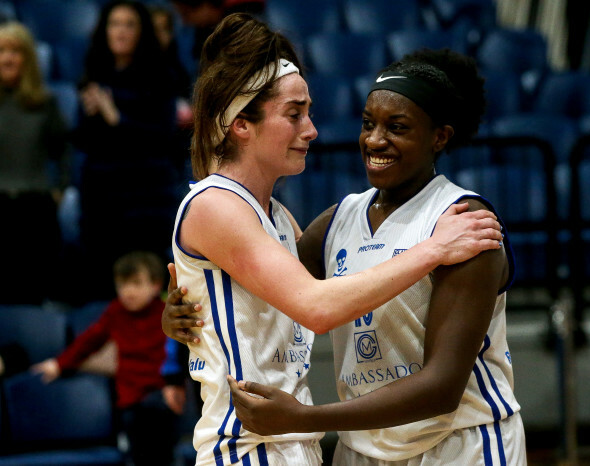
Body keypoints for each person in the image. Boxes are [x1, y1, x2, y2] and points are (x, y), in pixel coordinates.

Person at [167, 13, 502, 465]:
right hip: (255, 446)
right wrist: (178, 316)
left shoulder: (282, 220)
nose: (313, 130)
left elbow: (251, 299)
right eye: (295, 114)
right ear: (242, 123)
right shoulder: (225, 206)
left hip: (450, 445)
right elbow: (316, 305)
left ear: (439, 137)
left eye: (397, 127)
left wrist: (181, 315)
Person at [73, 0, 180, 301]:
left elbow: (162, 136)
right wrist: (90, 115)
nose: (120, 31)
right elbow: (82, 140)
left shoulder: (160, 76)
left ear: (141, 31)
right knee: (103, 289)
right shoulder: (94, 75)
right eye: (114, 23)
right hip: (101, 199)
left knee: (144, 288)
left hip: (145, 198)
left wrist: (115, 117)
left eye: (129, 24)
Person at [31, 251, 180, 466]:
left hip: (162, 395)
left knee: (165, 452)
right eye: (122, 285)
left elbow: (182, 352)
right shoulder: (116, 312)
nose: (128, 292)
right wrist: (59, 364)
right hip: (130, 398)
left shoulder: (166, 312)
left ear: (156, 285)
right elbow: (88, 341)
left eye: (136, 284)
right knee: (136, 453)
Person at [0, 21, 69, 304]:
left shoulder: (44, 103)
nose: (8, 57)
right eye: (2, 50)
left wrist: (59, 190)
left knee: (33, 289)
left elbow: (63, 151)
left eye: (15, 50)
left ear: (28, 58)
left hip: (35, 208)